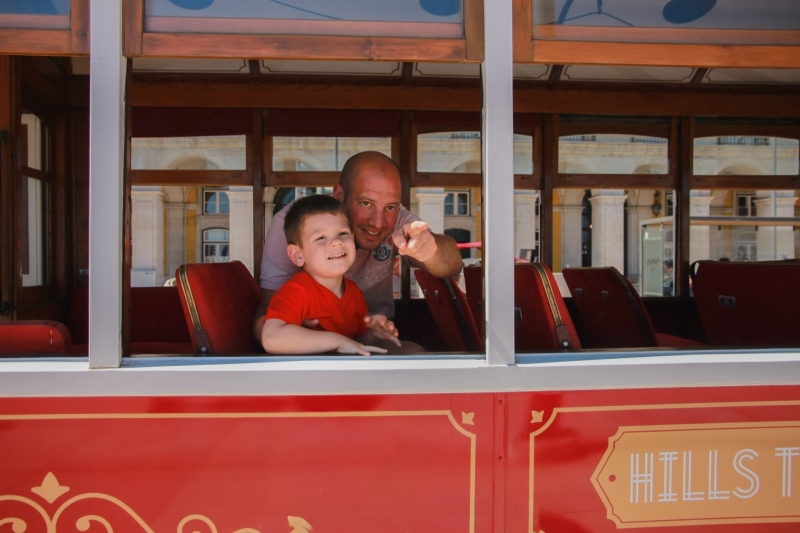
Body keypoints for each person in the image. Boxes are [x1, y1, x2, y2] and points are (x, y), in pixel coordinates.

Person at [252, 151, 463, 352]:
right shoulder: (295, 225)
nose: (378, 222)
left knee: (414, 352)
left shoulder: (352, 292)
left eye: (390, 207)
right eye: (366, 203)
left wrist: (429, 250)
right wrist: (323, 339)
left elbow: (453, 262)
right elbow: (268, 327)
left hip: (358, 348)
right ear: (339, 195)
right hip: (306, 358)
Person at [262, 195, 401, 355]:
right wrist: (338, 342)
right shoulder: (297, 291)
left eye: (342, 233)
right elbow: (271, 338)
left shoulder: (354, 293)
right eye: (321, 237)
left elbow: (357, 343)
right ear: (297, 255)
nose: (337, 242)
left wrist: (375, 335)